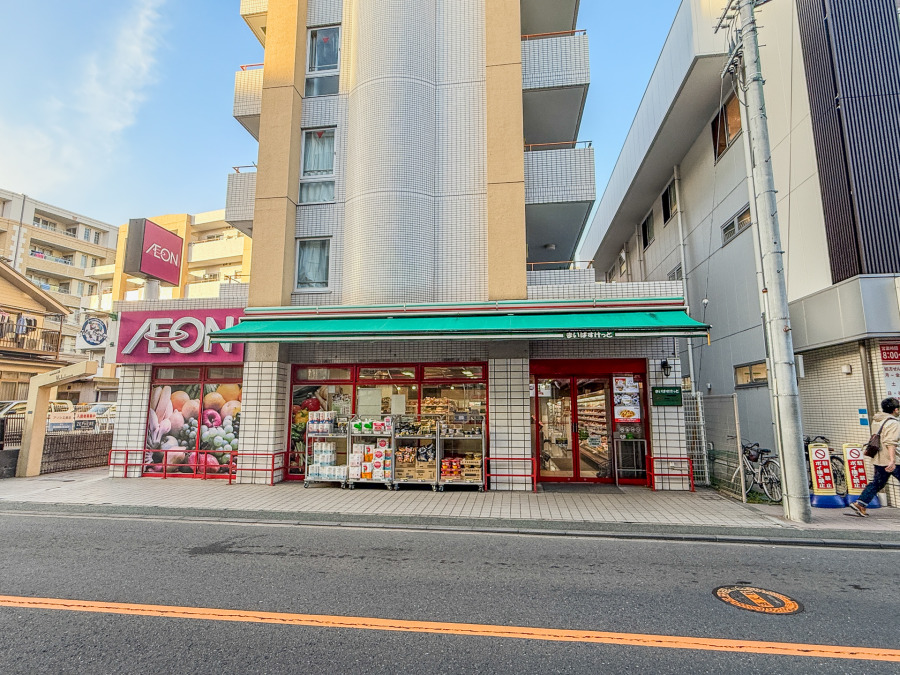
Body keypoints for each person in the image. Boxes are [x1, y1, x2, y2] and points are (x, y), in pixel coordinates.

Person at [849, 396, 900, 516]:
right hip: (893, 460)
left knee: (877, 483)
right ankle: (860, 504)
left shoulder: (877, 420)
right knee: (878, 482)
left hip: (879, 458)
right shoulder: (893, 423)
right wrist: (892, 460)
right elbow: (890, 442)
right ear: (895, 410)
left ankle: (860, 504)